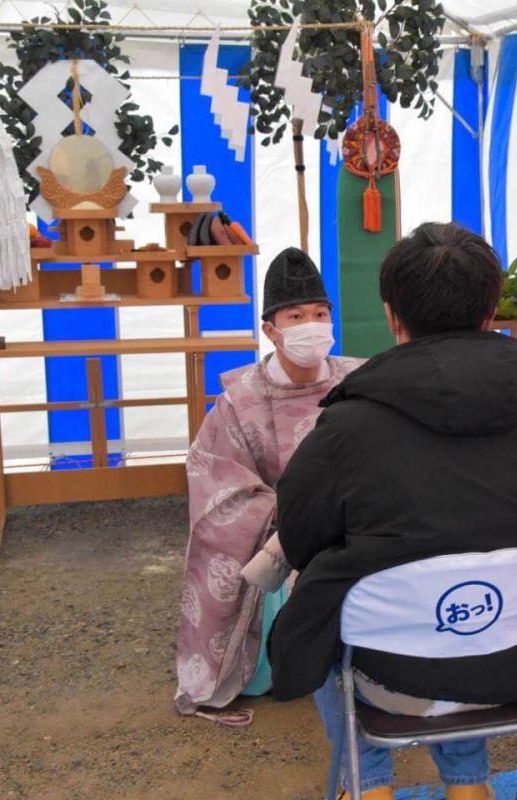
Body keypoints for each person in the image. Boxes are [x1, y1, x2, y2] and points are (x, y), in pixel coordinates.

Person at [268, 222, 517, 800]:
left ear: (392, 315)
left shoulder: (345, 428)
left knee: (324, 590)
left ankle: (370, 786)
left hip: (391, 675)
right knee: (475, 564)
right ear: (491, 313)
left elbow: (301, 538)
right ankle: (469, 784)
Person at [174, 248, 363, 723]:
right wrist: (291, 513)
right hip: (279, 531)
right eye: (296, 316)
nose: (312, 325)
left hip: (355, 521)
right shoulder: (239, 400)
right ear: (271, 330)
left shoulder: (359, 380)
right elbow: (216, 482)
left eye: (320, 314)